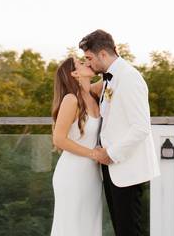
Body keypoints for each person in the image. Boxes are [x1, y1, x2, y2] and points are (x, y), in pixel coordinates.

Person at [81, 29, 160, 236]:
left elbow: (141, 127)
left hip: (126, 168)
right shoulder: (109, 78)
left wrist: (110, 154)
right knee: (121, 230)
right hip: (112, 169)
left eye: (89, 58)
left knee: (129, 231)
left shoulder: (129, 78)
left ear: (103, 55)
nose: (88, 64)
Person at [50, 56, 103, 235]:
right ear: (74, 73)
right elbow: (59, 139)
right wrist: (93, 154)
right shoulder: (71, 100)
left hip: (92, 174)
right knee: (72, 227)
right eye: (81, 62)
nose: (87, 63)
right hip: (72, 174)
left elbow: (113, 73)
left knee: (89, 226)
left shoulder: (93, 94)